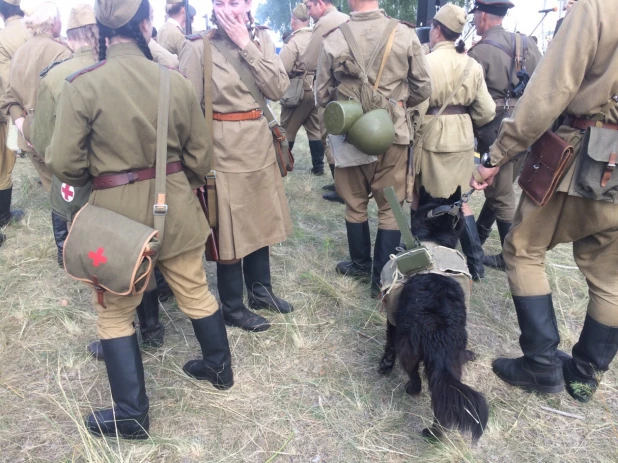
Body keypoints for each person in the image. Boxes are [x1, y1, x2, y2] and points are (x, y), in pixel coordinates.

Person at [47, 0, 233, 439]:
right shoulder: (174, 81)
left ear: (101, 33)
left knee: (115, 313)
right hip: (179, 206)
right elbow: (201, 156)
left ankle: (132, 414)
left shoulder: (82, 85)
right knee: (194, 289)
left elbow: (66, 165)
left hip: (116, 219)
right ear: (146, 25)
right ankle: (219, 369)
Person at [470, 0, 618, 401]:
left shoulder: (597, 8)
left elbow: (550, 92)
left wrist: (495, 156)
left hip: (587, 152)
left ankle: (540, 365)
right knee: (611, 278)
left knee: (522, 249)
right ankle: (585, 376)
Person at [32, 3, 166, 362]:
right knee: (139, 244)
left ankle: (118, 333)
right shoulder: (150, 65)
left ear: (73, 37)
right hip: (138, 179)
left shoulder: (58, 77)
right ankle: (152, 326)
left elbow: (43, 141)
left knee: (104, 255)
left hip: (87, 184)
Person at [179, 0, 293, 333]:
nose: (231, 8)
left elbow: (278, 88)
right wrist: (196, 166)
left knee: (261, 218)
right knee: (228, 229)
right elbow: (188, 112)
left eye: (238, 1)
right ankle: (232, 306)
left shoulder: (261, 40)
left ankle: (261, 290)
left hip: (259, 143)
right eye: (223, 2)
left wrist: (246, 45)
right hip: (223, 150)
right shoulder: (197, 46)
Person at [315, 0, 431, 297]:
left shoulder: (332, 37)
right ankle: (382, 279)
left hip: (350, 133)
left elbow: (322, 94)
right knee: (391, 206)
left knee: (354, 203)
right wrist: (394, 105)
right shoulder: (405, 34)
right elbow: (423, 88)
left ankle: (359, 263)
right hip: (393, 134)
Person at [414, 3, 495, 280]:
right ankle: (476, 265)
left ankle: (423, 259)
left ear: (436, 29)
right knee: (460, 201)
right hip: (462, 138)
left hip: (432, 135)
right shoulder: (471, 64)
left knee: (422, 199)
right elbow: (487, 112)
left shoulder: (426, 61)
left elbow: (416, 109)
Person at [467, 0, 542, 272]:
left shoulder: (478, 52)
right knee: (502, 188)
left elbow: (469, 99)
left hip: (494, 134)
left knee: (501, 197)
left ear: (484, 16)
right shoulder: (527, 45)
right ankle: (481, 233)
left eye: (475, 14)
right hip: (526, 130)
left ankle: (513, 259)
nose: (474, 20)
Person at [0, 0, 71, 194]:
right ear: (53, 21)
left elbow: (9, 96)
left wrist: (23, 127)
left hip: (29, 137)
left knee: (53, 189)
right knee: (68, 195)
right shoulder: (62, 52)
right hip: (55, 137)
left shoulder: (19, 53)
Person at [301, 0, 348, 203]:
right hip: (346, 90)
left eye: (310, 6)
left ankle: (342, 188)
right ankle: (343, 184)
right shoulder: (346, 17)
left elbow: (308, 61)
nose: (309, 12)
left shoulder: (325, 22)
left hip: (329, 90)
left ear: (320, 3)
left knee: (329, 138)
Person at [279, 3, 323, 176]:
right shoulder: (317, 38)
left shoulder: (294, 41)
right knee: (314, 128)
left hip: (297, 90)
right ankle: (319, 167)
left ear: (293, 21)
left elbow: (282, 67)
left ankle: (283, 165)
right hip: (316, 88)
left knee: (287, 128)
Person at [0, 0, 30, 248]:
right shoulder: (31, 31)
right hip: (19, 109)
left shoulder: (4, 37)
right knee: (5, 163)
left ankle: (3, 215)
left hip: (5, 108)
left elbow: (6, 81)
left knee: (5, 163)